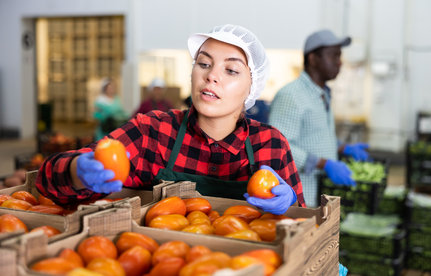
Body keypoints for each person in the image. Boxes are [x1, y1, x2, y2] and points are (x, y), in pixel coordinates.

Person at [35, 24, 306, 216]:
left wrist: (290, 203)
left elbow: (303, 226)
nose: (212, 76)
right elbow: (47, 182)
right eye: (203, 63)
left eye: (231, 70)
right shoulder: (152, 132)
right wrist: (76, 171)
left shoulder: (269, 144)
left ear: (252, 87)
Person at [269, 29, 370, 207]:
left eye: (339, 57)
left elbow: (315, 135)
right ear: (313, 59)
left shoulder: (322, 94)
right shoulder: (291, 95)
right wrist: (324, 164)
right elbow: (278, 146)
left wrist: (343, 147)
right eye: (333, 56)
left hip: (320, 195)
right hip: (298, 198)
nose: (339, 63)